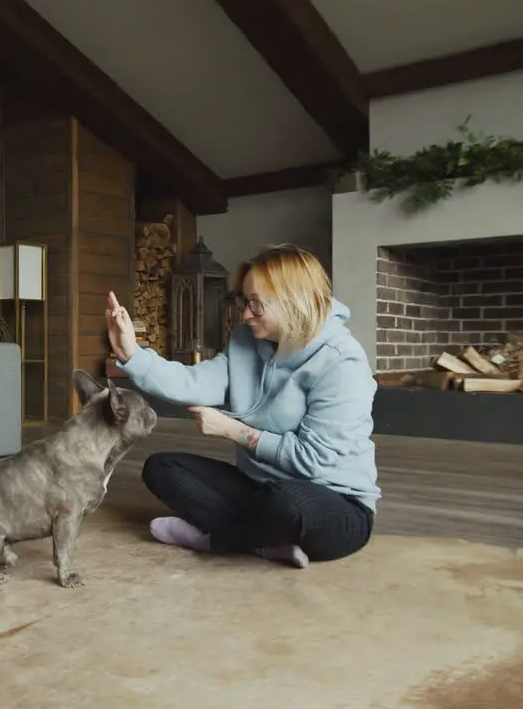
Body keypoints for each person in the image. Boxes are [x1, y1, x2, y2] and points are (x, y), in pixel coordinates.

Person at [106, 243, 380, 569]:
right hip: (259, 487)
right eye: (244, 301)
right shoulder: (246, 340)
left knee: (287, 504)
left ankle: (213, 539)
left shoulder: (341, 361)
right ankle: (264, 542)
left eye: (256, 305)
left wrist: (233, 430)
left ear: (294, 302)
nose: (245, 314)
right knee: (162, 468)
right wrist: (131, 355)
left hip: (334, 502)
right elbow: (195, 382)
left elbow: (313, 462)